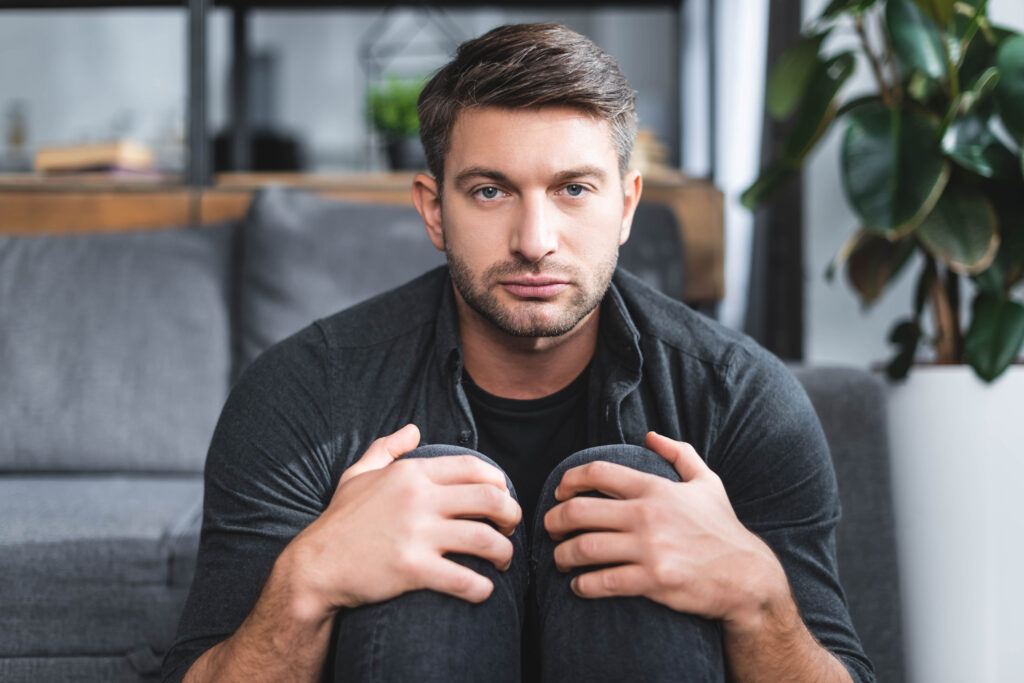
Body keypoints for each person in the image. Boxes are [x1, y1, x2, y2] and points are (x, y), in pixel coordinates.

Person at [164, 23, 873, 683]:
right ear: (434, 208)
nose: (535, 239)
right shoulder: (305, 391)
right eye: (491, 190)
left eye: (573, 189)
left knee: (632, 486)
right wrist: (306, 582)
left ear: (626, 206)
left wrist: (758, 601)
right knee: (429, 486)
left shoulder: (740, 397)